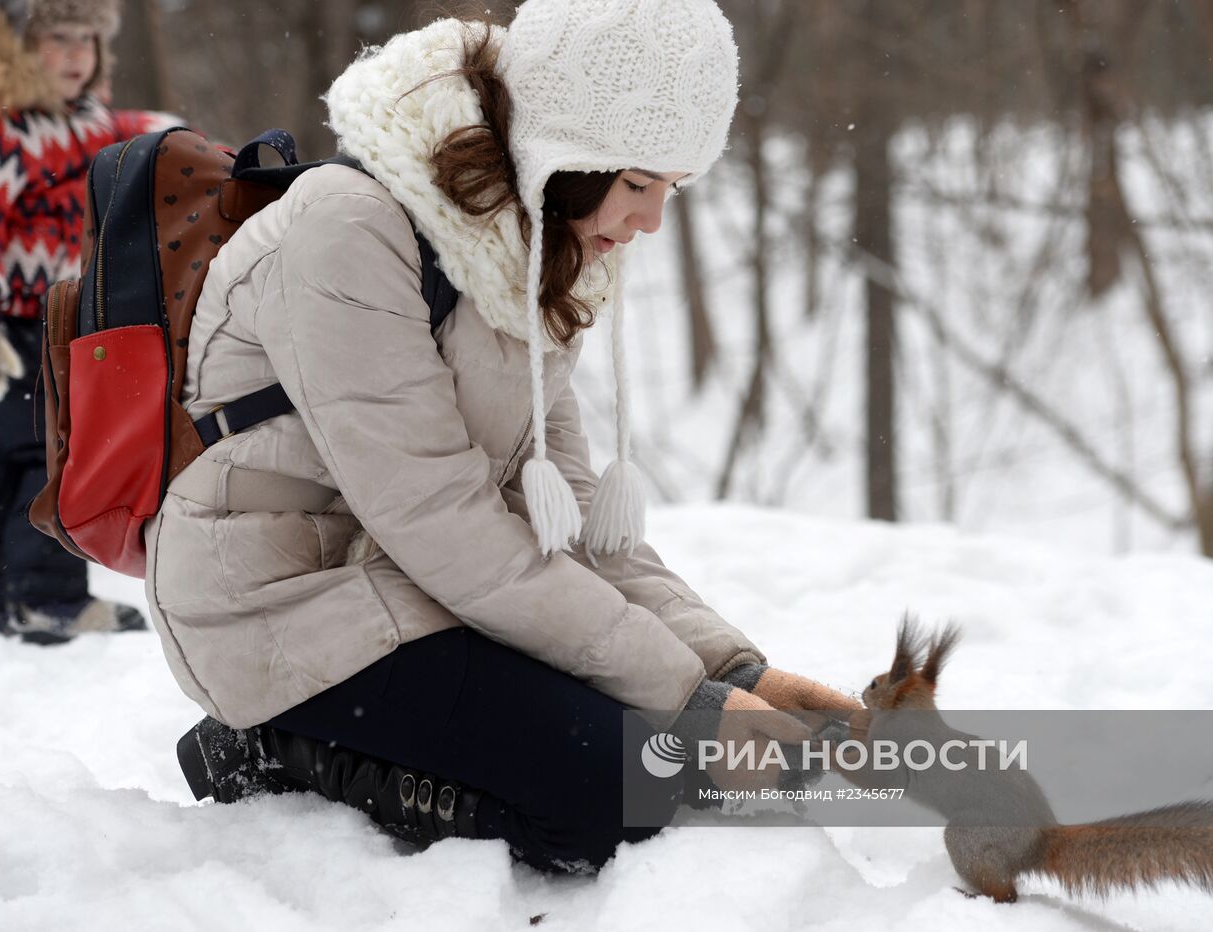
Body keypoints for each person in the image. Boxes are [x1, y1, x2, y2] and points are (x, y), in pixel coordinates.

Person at [162, 0, 863, 873]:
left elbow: (562, 518)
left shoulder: (530, 251)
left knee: (664, 765)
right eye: (639, 184)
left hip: (413, 586)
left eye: (671, 191)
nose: (649, 222)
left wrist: (731, 670)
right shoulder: (349, 227)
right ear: (567, 153)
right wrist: (686, 703)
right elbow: (438, 516)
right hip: (281, 599)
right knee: (616, 792)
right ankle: (263, 746)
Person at [0, 0, 167, 650]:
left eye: (87, 40)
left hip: (49, 322)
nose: (75, 56)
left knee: (1, 468)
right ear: (15, 46)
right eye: (57, 38)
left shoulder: (76, 119)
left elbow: (115, 138)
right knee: (44, 458)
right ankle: (42, 599)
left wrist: (168, 138)